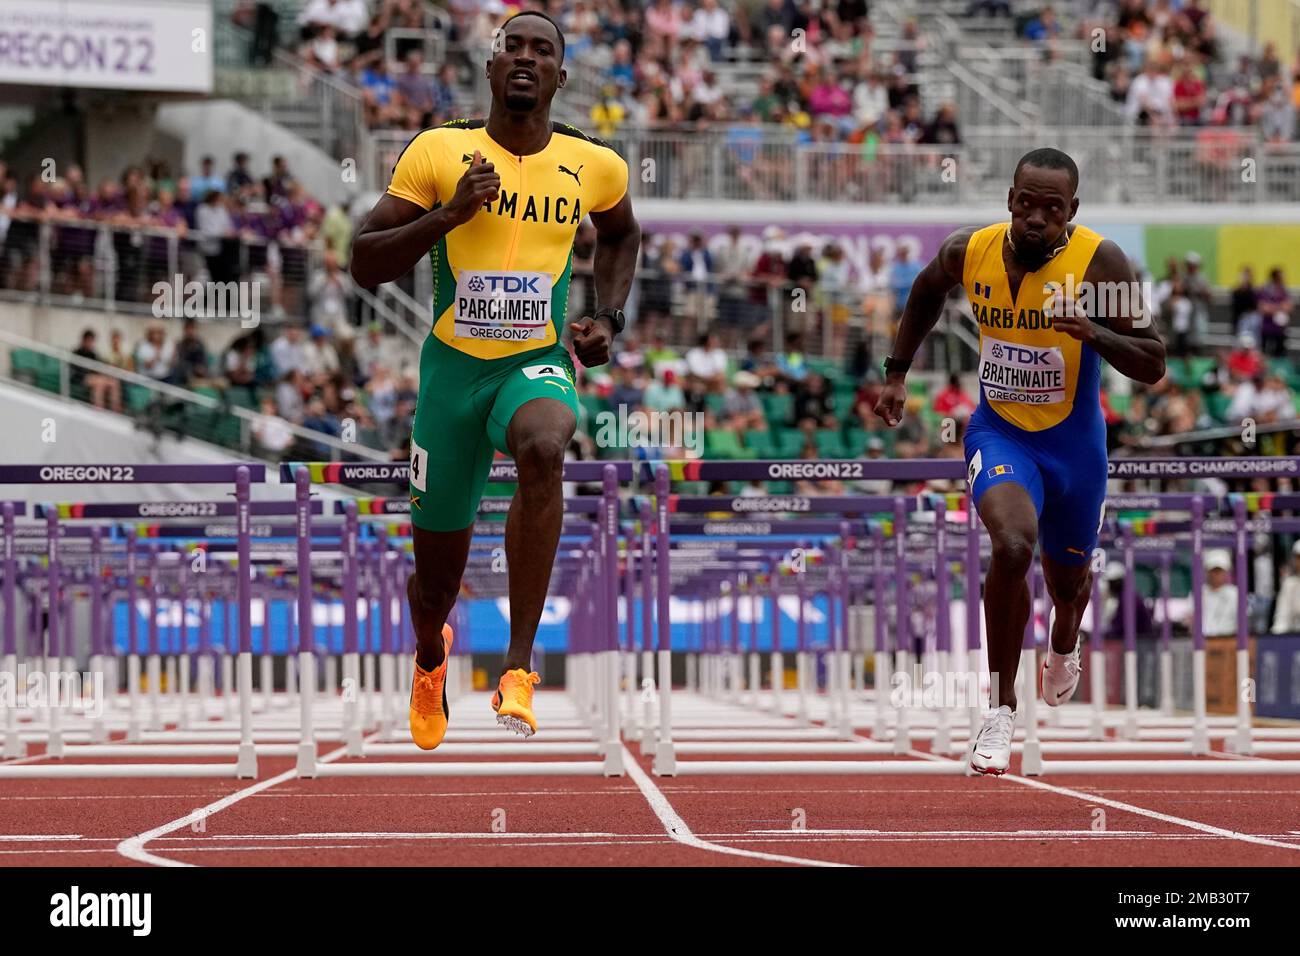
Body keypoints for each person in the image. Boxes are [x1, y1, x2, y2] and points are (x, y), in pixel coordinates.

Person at [349, 11, 640, 750]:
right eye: (513, 46)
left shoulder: (594, 164)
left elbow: (623, 232)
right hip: (450, 376)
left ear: (559, 76)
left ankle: (518, 667)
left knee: (546, 446)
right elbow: (365, 261)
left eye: (542, 50)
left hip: (530, 361)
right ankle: (429, 658)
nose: (526, 58)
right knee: (436, 585)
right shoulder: (442, 151)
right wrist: (449, 215)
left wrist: (607, 317)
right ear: (489, 66)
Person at [873, 148, 1166, 775]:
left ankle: (1064, 641)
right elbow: (925, 292)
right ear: (1010, 199)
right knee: (1011, 547)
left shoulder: (1101, 262)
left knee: (1069, 584)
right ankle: (1000, 707)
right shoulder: (968, 250)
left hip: (1076, 450)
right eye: (1026, 204)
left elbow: (1153, 361)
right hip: (1000, 434)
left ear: (1072, 212)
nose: (1037, 219)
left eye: (1052, 210)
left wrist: (1094, 332)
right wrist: (897, 374)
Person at [1200, 550, 1239, 637]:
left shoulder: (1235, 594)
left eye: (1220, 571)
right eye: (1213, 571)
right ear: (1207, 572)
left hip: (1229, 641)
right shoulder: (1198, 593)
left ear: (1226, 572)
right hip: (1203, 641)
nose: (1216, 574)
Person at [1272, 541, 1300, 634]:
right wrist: (1277, 638)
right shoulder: (1289, 584)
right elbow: (1282, 616)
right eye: (1298, 557)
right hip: (1295, 637)